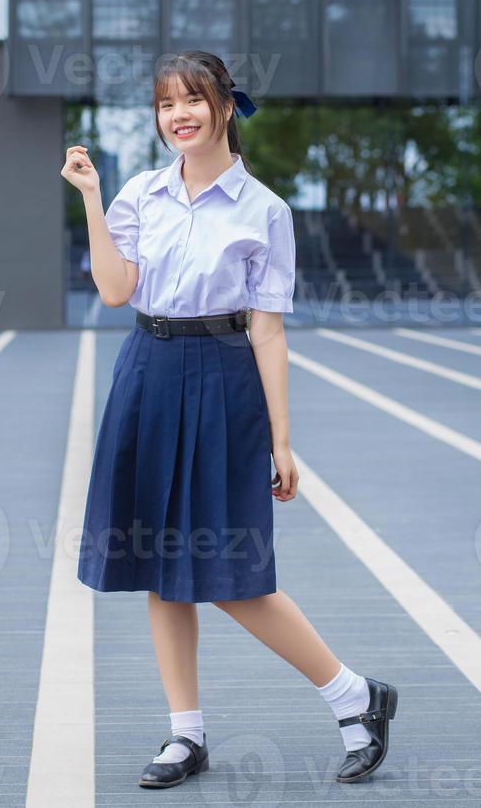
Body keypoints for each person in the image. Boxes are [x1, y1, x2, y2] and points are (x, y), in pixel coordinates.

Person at [60, 50, 398, 790]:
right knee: (156, 560)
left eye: (192, 100)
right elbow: (116, 290)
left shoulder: (264, 209)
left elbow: (268, 331)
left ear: (223, 106)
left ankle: (353, 696)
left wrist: (281, 438)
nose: (177, 115)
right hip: (146, 370)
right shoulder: (142, 194)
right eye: (164, 105)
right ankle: (186, 735)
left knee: (232, 569)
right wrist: (90, 195)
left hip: (222, 377)